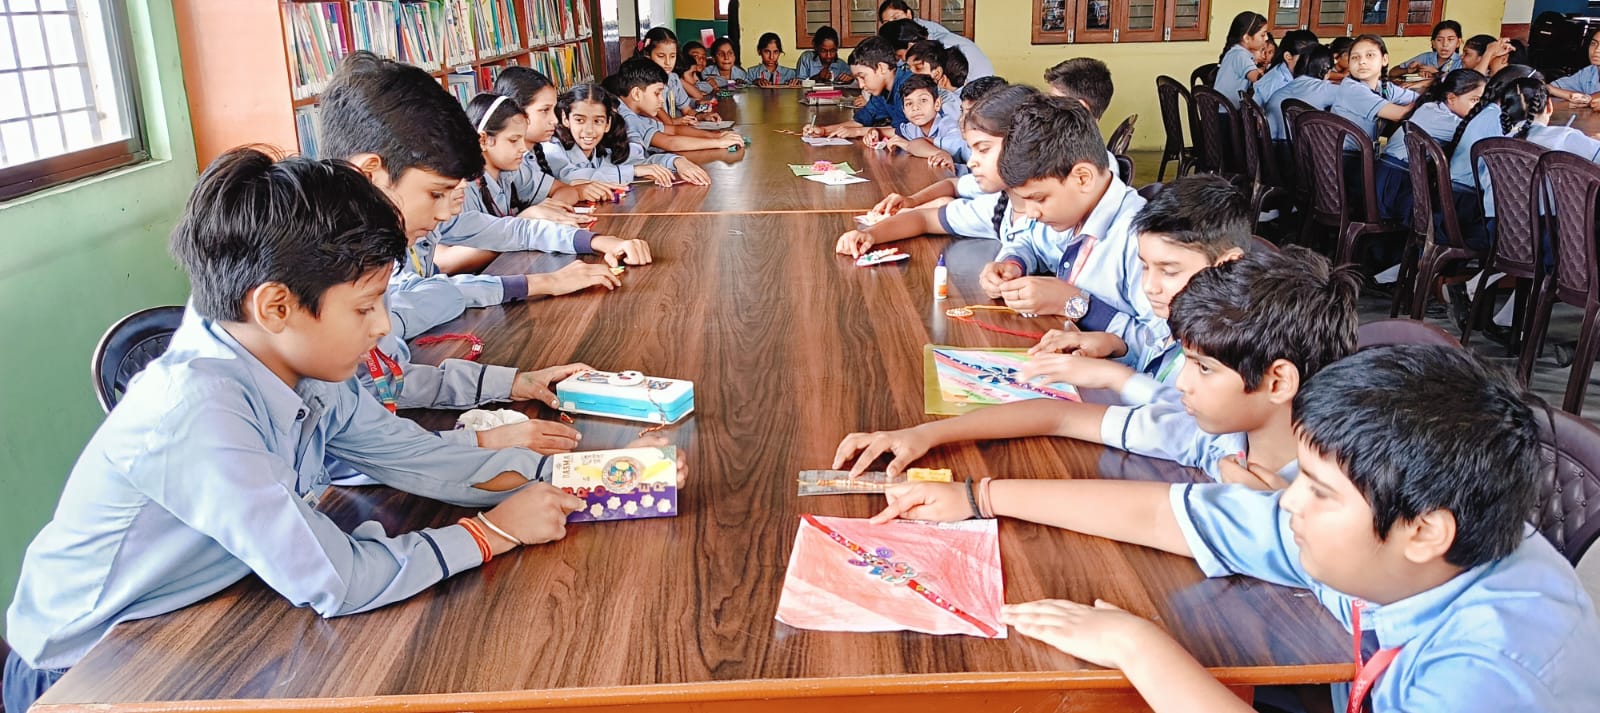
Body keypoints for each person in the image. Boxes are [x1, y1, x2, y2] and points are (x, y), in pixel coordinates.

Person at [1, 150, 595, 712]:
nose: (382, 326)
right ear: (276, 307)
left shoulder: (299, 363)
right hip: (87, 672)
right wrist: (489, 533)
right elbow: (336, 579)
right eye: (365, 307)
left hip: (200, 613)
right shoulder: (196, 411)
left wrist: (585, 473)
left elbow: (412, 456)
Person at [872, 345, 1600, 713]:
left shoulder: (1491, 673)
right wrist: (981, 494)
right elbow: (1167, 513)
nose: (1286, 501)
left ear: (1424, 531)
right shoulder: (1387, 538)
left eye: (1315, 489)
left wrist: (1136, 644)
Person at [835, 246, 1358, 490]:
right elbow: (1058, 417)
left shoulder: (1334, 496)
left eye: (1200, 368)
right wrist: (925, 434)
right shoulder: (1221, 439)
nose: (1179, 382)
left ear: (1277, 380)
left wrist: (981, 499)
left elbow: (1155, 519)